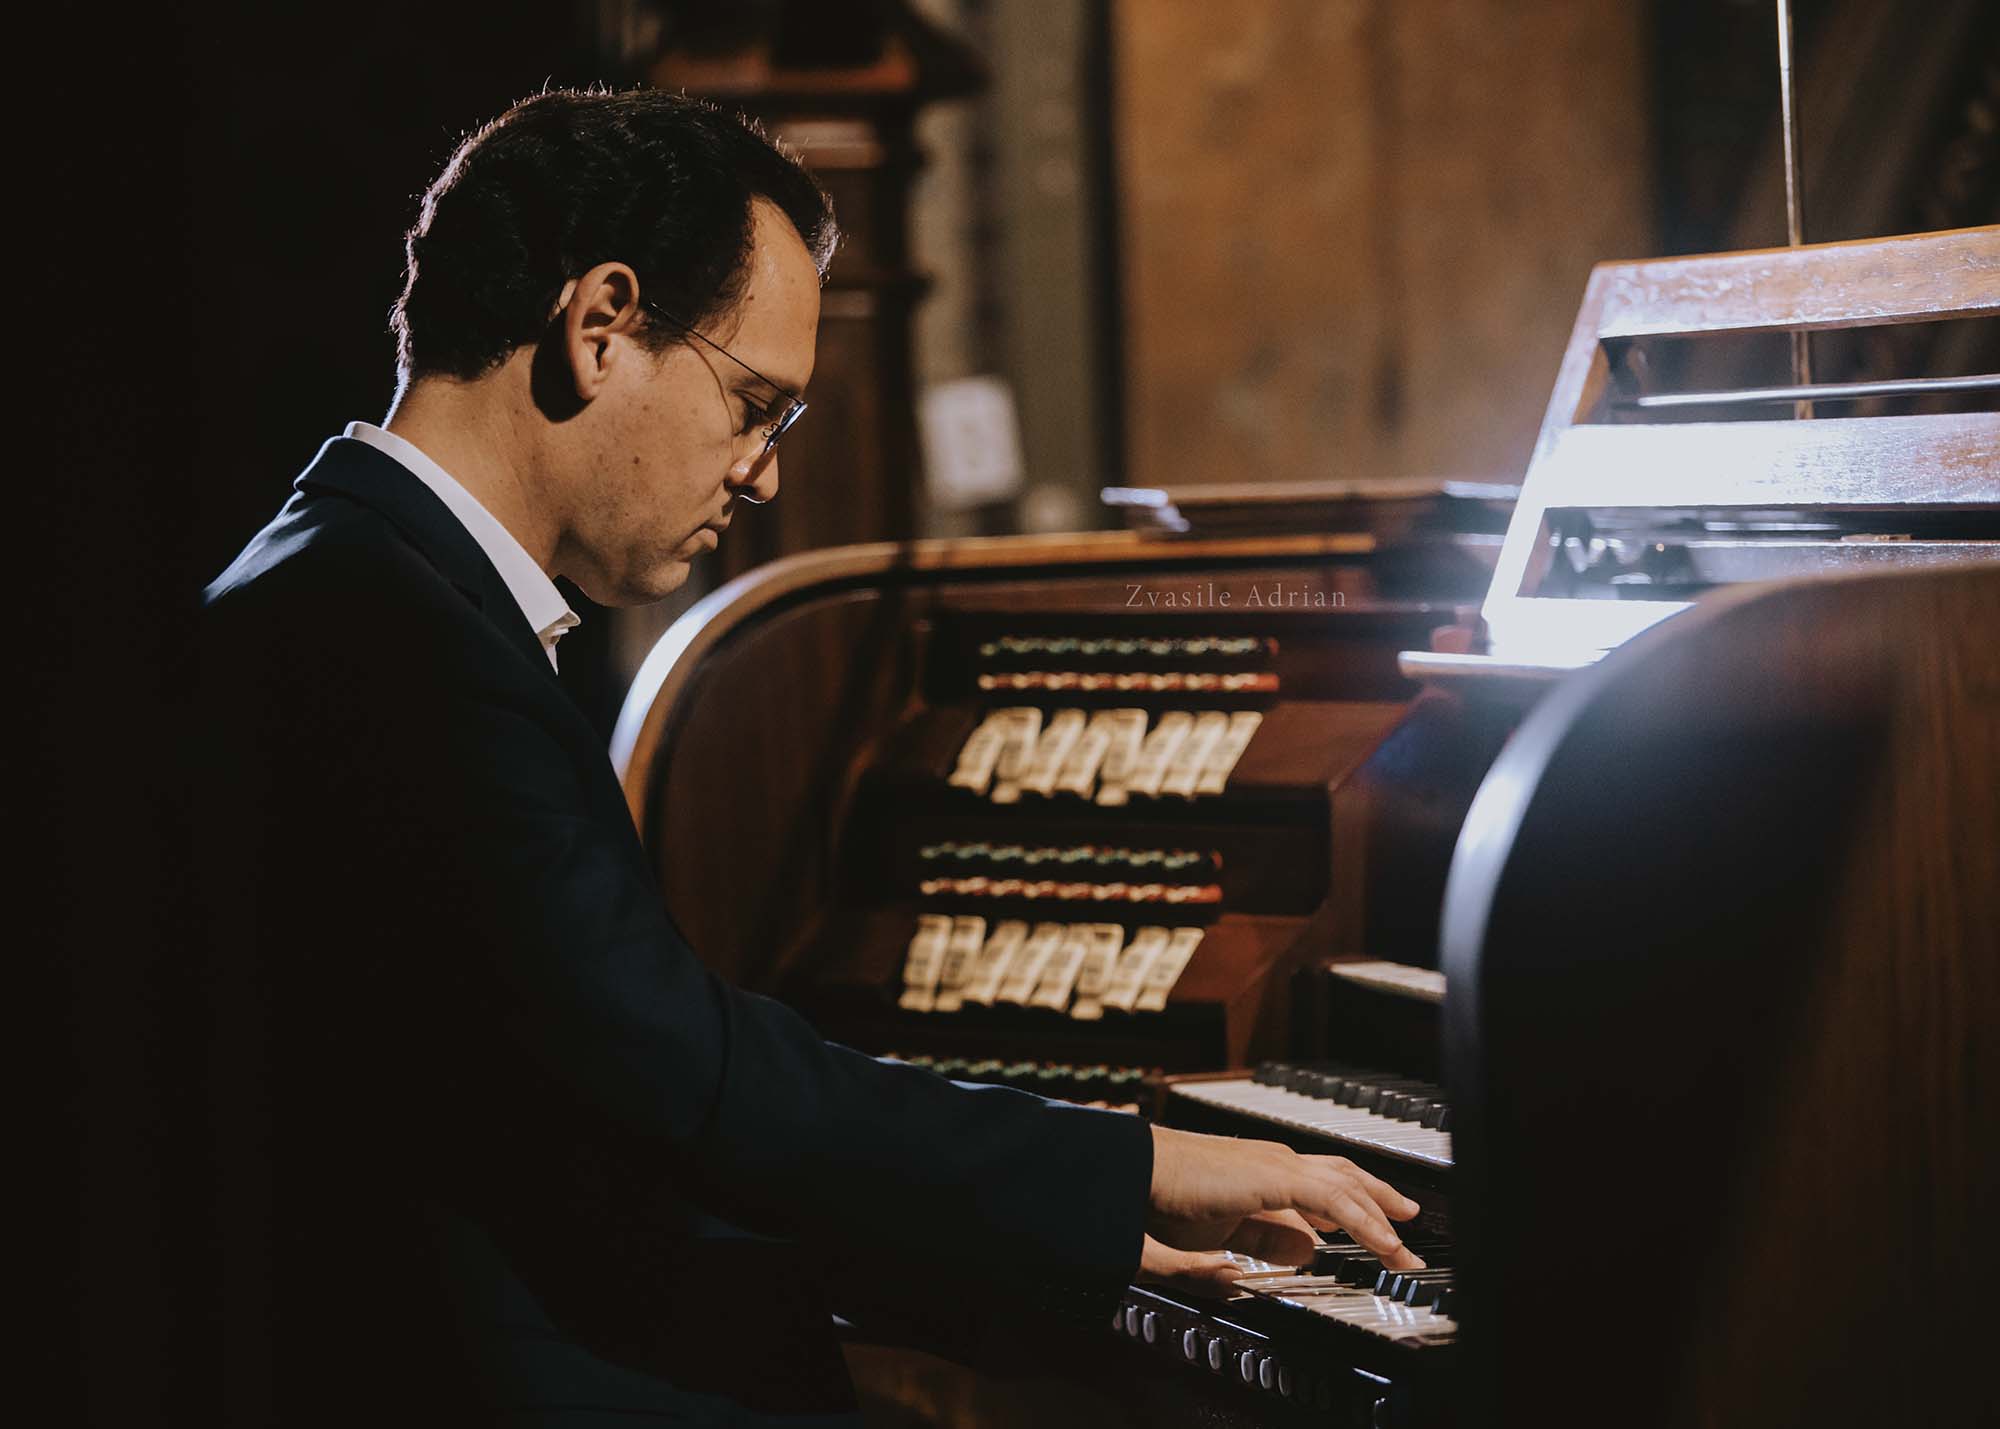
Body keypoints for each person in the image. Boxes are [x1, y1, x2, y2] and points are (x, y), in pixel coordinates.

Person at [199, 87, 1423, 1427]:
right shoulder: (403, 642)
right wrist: (1130, 1169)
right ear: (601, 326)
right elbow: (688, 1076)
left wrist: (1046, 1241)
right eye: (756, 406)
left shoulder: (348, 574)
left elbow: (582, 1112)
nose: (766, 475)